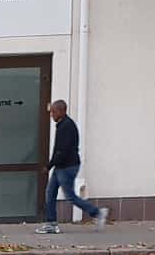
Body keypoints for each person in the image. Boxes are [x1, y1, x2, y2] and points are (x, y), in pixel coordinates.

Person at [39, 100, 108, 234]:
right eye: (51, 112)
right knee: (50, 193)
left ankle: (98, 212)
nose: (52, 115)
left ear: (61, 111)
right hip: (61, 166)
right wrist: (52, 165)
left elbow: (61, 151)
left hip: (67, 167)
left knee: (70, 196)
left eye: (54, 112)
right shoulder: (62, 124)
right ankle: (51, 223)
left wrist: (48, 166)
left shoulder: (66, 127)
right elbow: (58, 151)